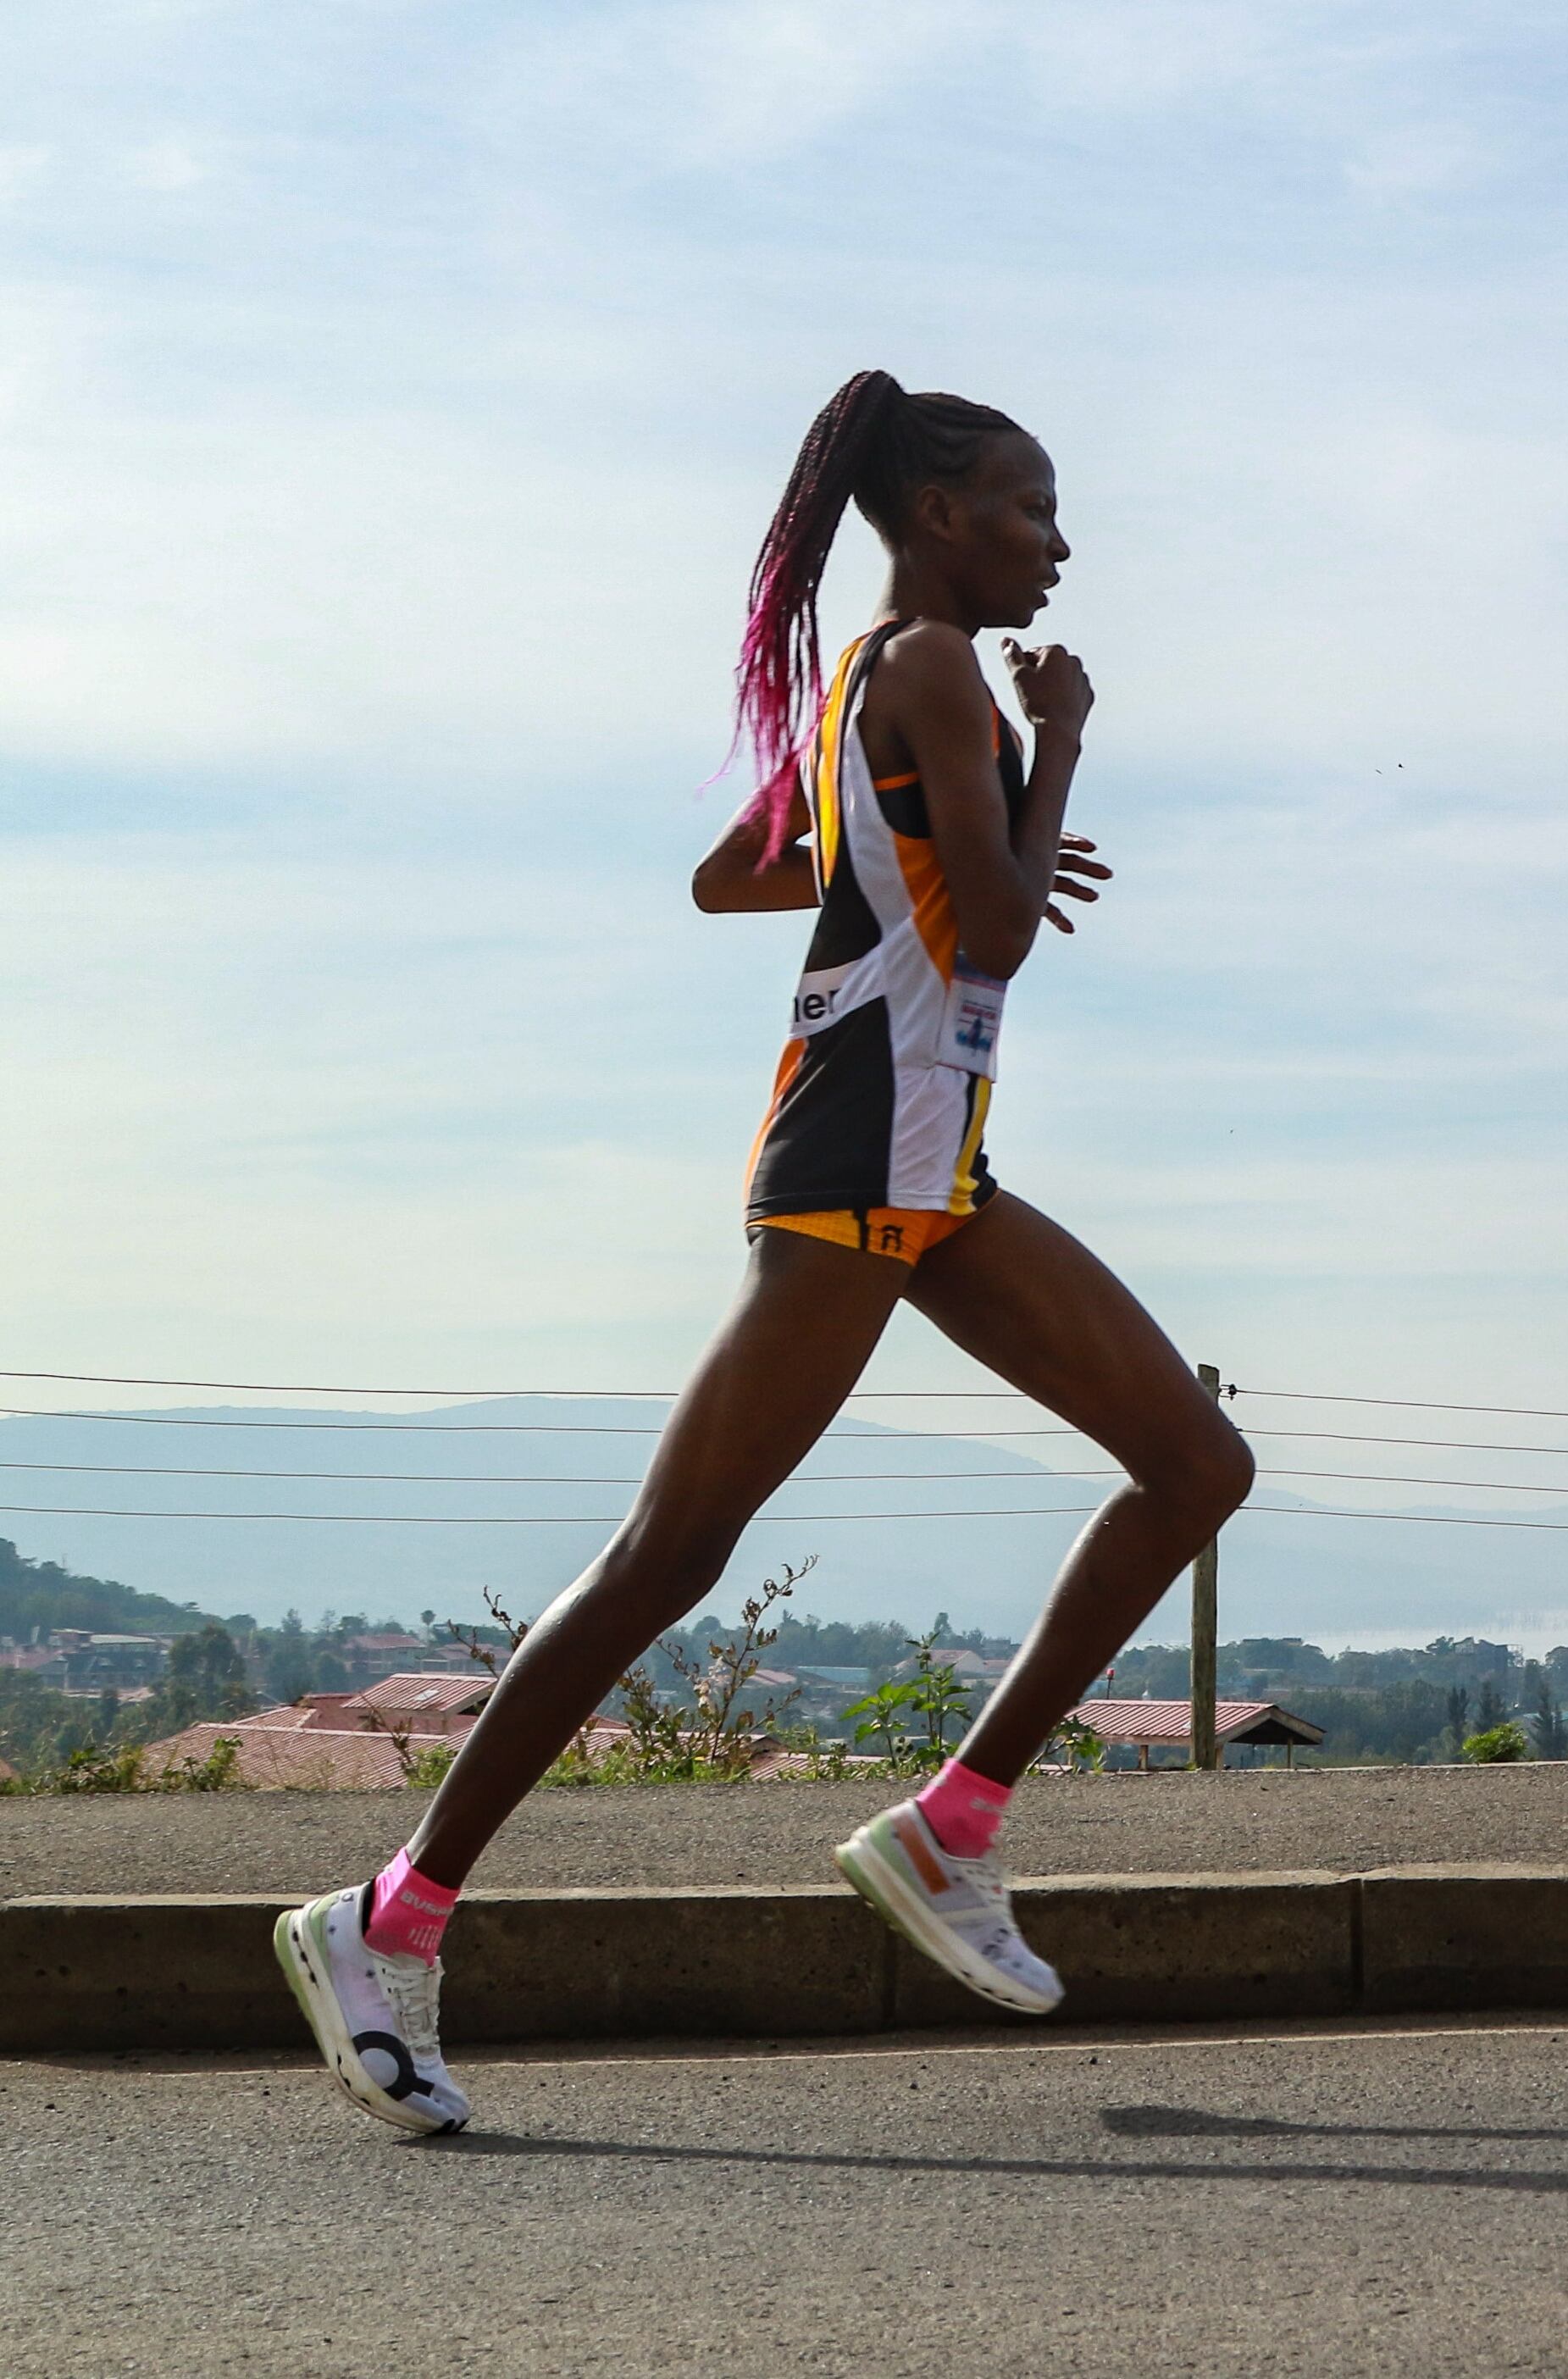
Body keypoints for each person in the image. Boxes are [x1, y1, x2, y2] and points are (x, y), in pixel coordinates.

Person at [273, 372, 1255, 2134]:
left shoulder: (872, 676)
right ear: (944, 510)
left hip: (923, 1165)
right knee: (666, 1557)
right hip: (856, 1163)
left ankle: (949, 1825)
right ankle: (384, 1916)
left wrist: (915, 849)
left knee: (1194, 1463)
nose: (1062, 541)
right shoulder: (942, 664)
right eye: (1034, 507)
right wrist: (1058, 761)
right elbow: (1007, 943)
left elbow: (739, 877)